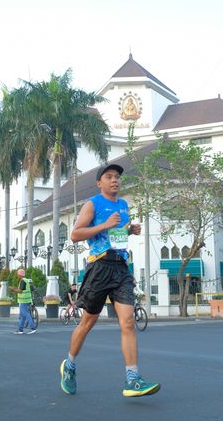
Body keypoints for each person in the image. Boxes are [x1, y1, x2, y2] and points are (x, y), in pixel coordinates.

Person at [60, 163, 160, 398]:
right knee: (87, 323)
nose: (115, 180)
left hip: (120, 267)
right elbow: (75, 234)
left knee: (127, 322)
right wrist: (104, 224)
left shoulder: (123, 205)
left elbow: (116, 235)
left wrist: (129, 231)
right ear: (99, 183)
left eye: (117, 177)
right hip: (99, 267)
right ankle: (69, 365)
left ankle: (132, 379)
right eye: (109, 177)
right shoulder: (92, 204)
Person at [9, 269, 37, 335]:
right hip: (27, 300)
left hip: (23, 300)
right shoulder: (27, 280)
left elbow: (20, 291)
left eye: (17, 274)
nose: (17, 275)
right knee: (22, 316)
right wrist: (15, 288)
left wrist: (13, 289)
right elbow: (25, 289)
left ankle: (33, 328)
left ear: (20, 274)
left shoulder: (22, 281)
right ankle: (20, 330)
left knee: (26, 314)